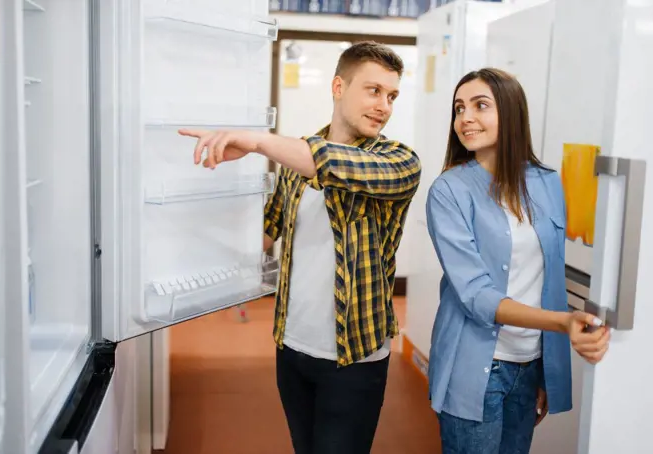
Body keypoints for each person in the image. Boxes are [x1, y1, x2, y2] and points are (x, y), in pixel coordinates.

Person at [178, 41, 421, 454]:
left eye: (392, 95)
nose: (384, 105)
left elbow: (331, 164)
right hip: (292, 348)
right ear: (338, 86)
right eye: (373, 90)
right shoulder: (296, 161)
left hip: (353, 357)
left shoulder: (399, 162)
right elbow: (265, 234)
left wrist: (255, 141)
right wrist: (183, 236)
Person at [425, 68, 610, 454]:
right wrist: (563, 323)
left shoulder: (546, 182)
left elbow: (549, 279)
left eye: (480, 105)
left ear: (511, 113)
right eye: (459, 108)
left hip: (529, 366)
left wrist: (543, 370)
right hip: (476, 367)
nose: (465, 118)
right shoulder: (449, 191)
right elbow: (476, 295)